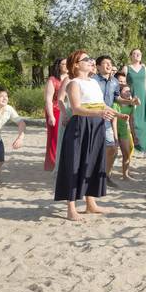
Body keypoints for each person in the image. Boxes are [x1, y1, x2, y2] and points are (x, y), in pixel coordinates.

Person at [55, 49, 118, 222]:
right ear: (76, 65)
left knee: (94, 162)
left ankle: (91, 204)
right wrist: (99, 114)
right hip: (80, 126)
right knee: (75, 164)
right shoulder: (74, 83)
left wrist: (118, 115)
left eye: (91, 59)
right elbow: (76, 108)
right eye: (87, 59)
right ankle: (71, 208)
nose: (91, 61)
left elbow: (101, 104)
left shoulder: (93, 82)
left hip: (96, 125)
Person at [94, 55, 124, 187]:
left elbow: (117, 98)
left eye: (110, 63)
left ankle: (106, 176)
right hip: (93, 117)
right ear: (98, 67)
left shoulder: (115, 82)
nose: (108, 65)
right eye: (105, 63)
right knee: (93, 149)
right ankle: (91, 176)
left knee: (112, 148)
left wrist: (130, 101)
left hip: (107, 119)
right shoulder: (92, 80)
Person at [121, 48, 146, 159]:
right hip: (132, 97)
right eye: (134, 53)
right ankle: (132, 146)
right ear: (131, 56)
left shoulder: (144, 68)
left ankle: (145, 149)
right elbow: (123, 83)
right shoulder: (127, 68)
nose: (137, 55)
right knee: (134, 122)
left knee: (145, 123)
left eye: (139, 54)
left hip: (143, 97)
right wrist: (128, 95)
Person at [43, 58, 67, 171]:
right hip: (55, 110)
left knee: (65, 138)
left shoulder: (72, 79)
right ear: (58, 66)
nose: (66, 65)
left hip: (68, 110)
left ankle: (62, 162)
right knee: (54, 138)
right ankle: (52, 163)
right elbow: (48, 99)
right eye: (64, 64)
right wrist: (51, 116)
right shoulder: (52, 80)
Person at [114, 84, 139, 180]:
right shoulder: (115, 104)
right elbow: (114, 121)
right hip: (114, 129)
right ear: (120, 93)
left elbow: (131, 122)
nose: (128, 93)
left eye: (129, 91)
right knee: (112, 153)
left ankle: (125, 174)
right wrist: (115, 138)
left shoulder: (131, 106)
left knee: (127, 153)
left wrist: (134, 136)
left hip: (124, 130)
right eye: (126, 91)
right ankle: (108, 174)